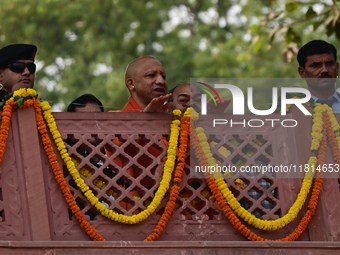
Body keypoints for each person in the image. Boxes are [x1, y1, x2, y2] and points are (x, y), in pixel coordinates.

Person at [297, 40, 339, 112]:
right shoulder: (289, 112)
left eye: (329, 64)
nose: (325, 70)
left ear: (337, 68)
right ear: (302, 72)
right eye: (316, 65)